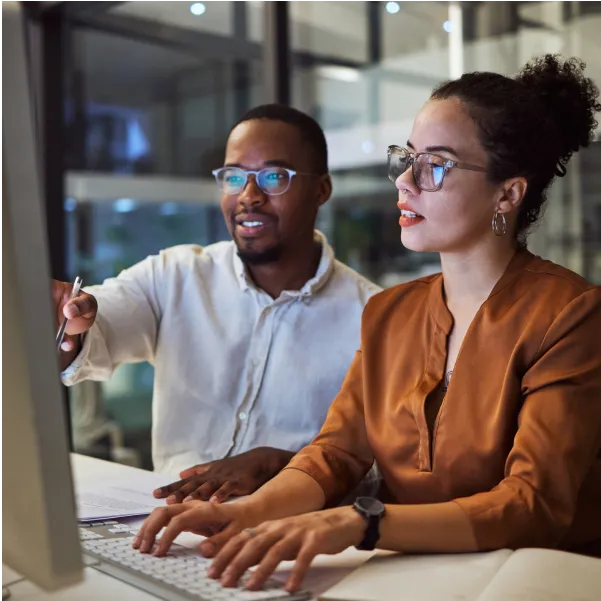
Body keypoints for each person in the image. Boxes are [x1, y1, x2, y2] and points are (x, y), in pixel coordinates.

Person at [133, 54, 601, 593]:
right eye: (406, 158)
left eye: (435, 164)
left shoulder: (569, 314)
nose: (405, 181)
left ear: (507, 193)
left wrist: (363, 521)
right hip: (400, 575)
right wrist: (250, 512)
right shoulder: (390, 312)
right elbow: (337, 452)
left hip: (525, 583)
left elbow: (533, 504)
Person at [54, 104, 380, 501]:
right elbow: (99, 327)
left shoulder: (374, 317)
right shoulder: (174, 275)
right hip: (169, 519)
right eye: (234, 176)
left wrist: (285, 464)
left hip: (291, 533)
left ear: (321, 190)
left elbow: (384, 466)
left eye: (274, 177)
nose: (249, 196)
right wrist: (70, 318)